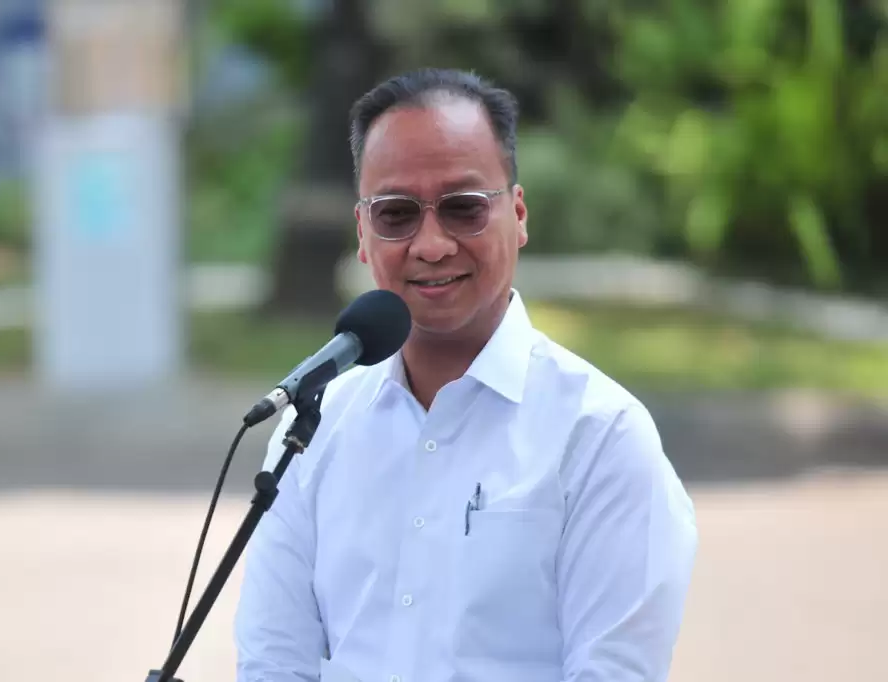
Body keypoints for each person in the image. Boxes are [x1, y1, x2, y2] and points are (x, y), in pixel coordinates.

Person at [234, 68, 698, 682]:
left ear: (519, 214)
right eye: (396, 214)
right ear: (363, 234)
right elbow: (273, 664)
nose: (431, 244)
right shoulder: (312, 429)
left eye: (463, 208)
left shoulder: (601, 436)